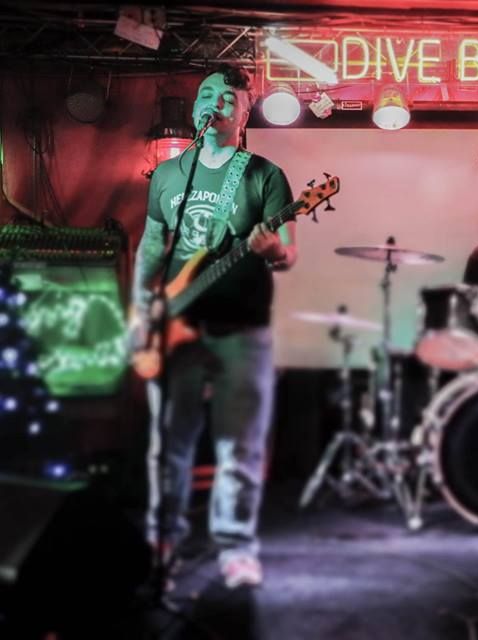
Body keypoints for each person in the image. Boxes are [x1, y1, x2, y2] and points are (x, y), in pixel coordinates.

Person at [130, 63, 296, 588]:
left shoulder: (264, 175)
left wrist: (273, 251)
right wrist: (140, 311)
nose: (214, 103)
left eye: (227, 98)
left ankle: (236, 547)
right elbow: (152, 246)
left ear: (244, 113)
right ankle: (163, 543)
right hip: (174, 324)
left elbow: (288, 253)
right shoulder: (168, 174)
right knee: (168, 445)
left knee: (239, 447)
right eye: (206, 94)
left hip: (242, 329)